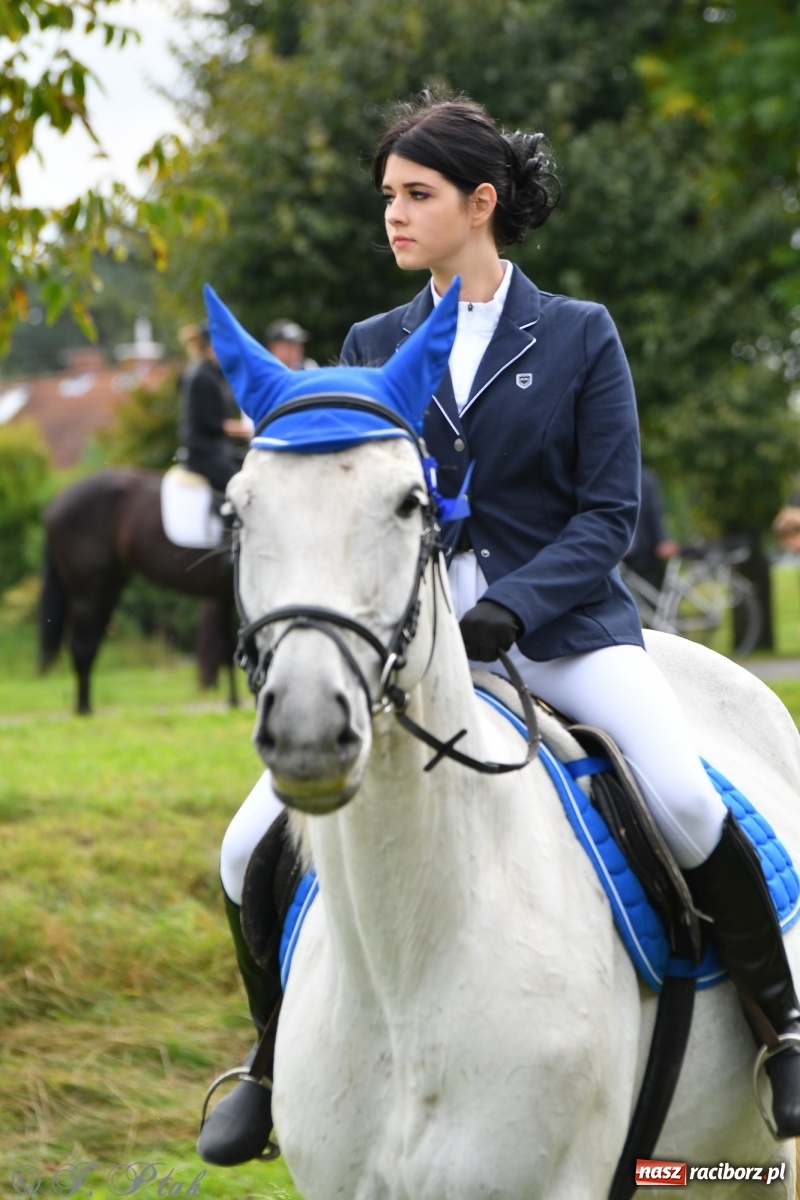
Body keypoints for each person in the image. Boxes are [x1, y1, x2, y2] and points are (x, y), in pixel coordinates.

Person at [199, 91, 800, 1163]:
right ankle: (269, 1059)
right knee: (249, 843)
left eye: (415, 194)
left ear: (480, 203)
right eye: (387, 195)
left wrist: (513, 606)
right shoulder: (373, 341)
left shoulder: (577, 334)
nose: (392, 214)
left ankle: (780, 1029)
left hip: (562, 632)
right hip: (410, 646)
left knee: (681, 795)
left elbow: (607, 515)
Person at [176, 321, 252, 494]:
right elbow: (212, 423)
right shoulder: (202, 377)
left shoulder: (211, 372)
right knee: (240, 489)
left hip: (218, 449)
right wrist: (248, 430)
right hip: (204, 452)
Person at [623, 463, 679, 589]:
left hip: (644, 553)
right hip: (618, 555)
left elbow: (655, 512)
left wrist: (662, 540)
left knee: (650, 589)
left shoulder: (645, 478)